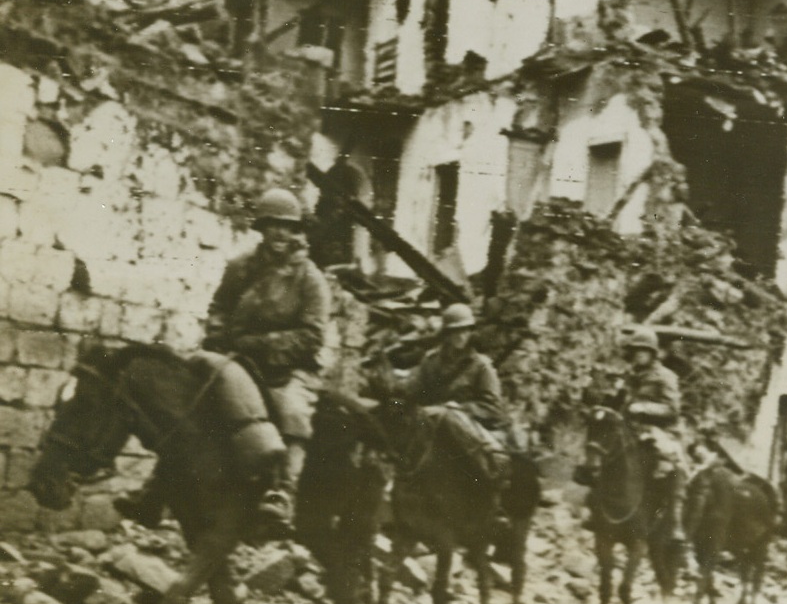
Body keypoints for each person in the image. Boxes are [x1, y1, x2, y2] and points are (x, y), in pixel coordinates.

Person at [115, 187, 330, 532]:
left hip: (288, 368)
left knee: (292, 411)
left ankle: (281, 492)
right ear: (261, 228)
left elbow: (312, 335)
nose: (279, 233)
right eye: (272, 225)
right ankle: (154, 493)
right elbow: (219, 308)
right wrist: (217, 336)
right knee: (190, 404)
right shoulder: (240, 267)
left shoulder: (310, 278)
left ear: (296, 233)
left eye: (287, 227)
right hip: (235, 359)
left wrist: (258, 344)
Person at [374, 302, 511, 482]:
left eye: (465, 330)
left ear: (471, 332)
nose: (460, 336)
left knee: (488, 466)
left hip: (469, 429)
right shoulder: (432, 361)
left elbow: (493, 409)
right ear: (447, 333)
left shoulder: (481, 366)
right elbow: (415, 390)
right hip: (433, 426)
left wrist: (459, 409)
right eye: (455, 331)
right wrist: (393, 389)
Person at [615, 326, 688, 543]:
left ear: (653, 353)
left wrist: (643, 407)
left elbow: (673, 409)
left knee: (672, 462)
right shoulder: (628, 376)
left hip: (662, 430)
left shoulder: (666, 376)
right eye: (636, 351)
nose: (639, 355)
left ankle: (675, 520)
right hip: (632, 428)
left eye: (644, 351)